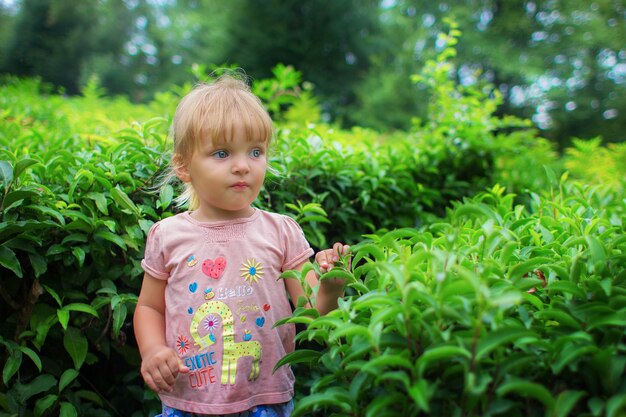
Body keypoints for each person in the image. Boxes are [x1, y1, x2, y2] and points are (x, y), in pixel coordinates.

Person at [134, 73, 350, 417]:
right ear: (184, 165)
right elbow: (150, 308)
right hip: (188, 401)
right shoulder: (167, 235)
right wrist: (153, 349)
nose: (242, 166)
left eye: (255, 151)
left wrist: (332, 287)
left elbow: (313, 313)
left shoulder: (281, 232)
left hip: (265, 401)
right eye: (221, 153)